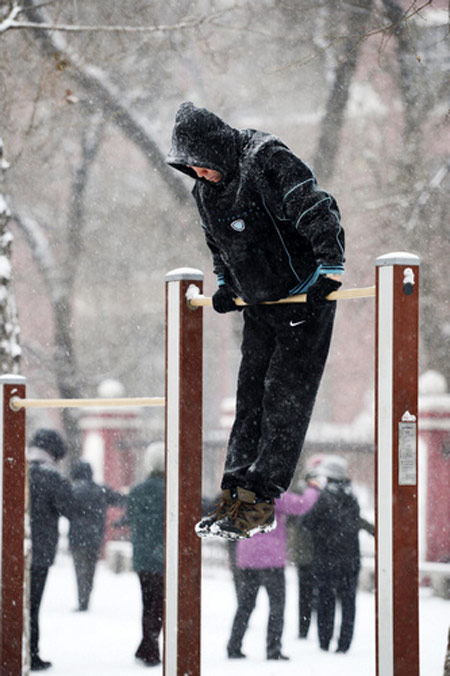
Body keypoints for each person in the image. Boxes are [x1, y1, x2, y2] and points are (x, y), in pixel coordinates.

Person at [167, 102, 345, 539]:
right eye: (192, 168)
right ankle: (235, 493)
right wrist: (226, 283)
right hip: (261, 303)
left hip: (305, 294)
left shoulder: (266, 159)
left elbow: (314, 206)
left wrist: (331, 266)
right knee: (250, 398)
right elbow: (218, 244)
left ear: (218, 148)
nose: (200, 174)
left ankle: (261, 499)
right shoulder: (205, 191)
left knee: (284, 398)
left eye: (203, 165)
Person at [226, 481, 322, 661]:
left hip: (247, 557)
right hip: (271, 559)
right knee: (276, 606)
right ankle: (273, 648)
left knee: (245, 605)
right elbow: (300, 506)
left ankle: (233, 645)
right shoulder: (272, 492)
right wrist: (313, 489)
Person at [302, 455, 370, 653]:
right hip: (350, 560)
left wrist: (321, 534)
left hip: (326, 560)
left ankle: (324, 641)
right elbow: (356, 522)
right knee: (348, 602)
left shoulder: (324, 497)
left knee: (325, 601)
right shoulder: (352, 496)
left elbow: (307, 523)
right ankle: (344, 643)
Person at [28, 428, 73, 671]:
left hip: (11, 549)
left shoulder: (12, 467)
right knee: (32, 605)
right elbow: (70, 508)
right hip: (41, 552)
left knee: (12, 602)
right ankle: (31, 653)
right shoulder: (52, 477)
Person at [126, 443, 165, 667]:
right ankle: (150, 649)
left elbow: (132, 518)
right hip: (162, 557)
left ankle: (146, 646)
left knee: (148, 602)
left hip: (142, 556)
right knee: (158, 605)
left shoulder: (137, 490)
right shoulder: (171, 489)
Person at [69, 460, 126, 611]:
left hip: (77, 537)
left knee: (80, 569)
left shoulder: (72, 490)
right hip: (95, 536)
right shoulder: (100, 489)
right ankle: (86, 597)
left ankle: (82, 600)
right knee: (90, 569)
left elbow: (64, 510)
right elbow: (120, 500)